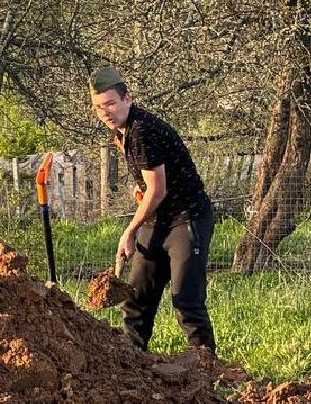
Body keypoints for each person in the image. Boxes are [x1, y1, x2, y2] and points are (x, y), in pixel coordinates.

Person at [90, 66, 217, 353]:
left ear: (127, 98)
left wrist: (130, 231)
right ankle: (131, 365)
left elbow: (158, 190)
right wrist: (141, 192)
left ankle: (209, 372)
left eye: (110, 103)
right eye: (98, 107)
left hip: (187, 219)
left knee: (187, 301)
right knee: (137, 299)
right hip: (158, 218)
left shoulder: (142, 131)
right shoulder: (122, 131)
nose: (105, 112)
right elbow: (153, 184)